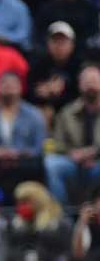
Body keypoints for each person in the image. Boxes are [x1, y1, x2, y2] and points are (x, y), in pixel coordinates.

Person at [0, 183, 71, 261]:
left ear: (38, 202)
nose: (20, 207)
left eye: (25, 202)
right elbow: (3, 254)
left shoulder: (59, 225)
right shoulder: (13, 226)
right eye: (19, 202)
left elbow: (66, 256)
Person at [44, 65, 100, 204]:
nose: (90, 86)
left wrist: (94, 152)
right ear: (79, 85)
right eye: (87, 82)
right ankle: (61, 217)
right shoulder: (67, 112)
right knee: (52, 164)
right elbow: (57, 143)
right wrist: (73, 154)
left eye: (94, 81)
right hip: (73, 162)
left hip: (98, 162)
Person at [28, 23, 82, 123]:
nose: (59, 46)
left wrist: (55, 94)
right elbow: (30, 93)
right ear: (48, 44)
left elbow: (80, 95)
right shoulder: (39, 65)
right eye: (55, 41)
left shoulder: (79, 66)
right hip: (43, 111)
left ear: (72, 45)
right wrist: (44, 95)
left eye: (63, 42)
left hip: (72, 111)